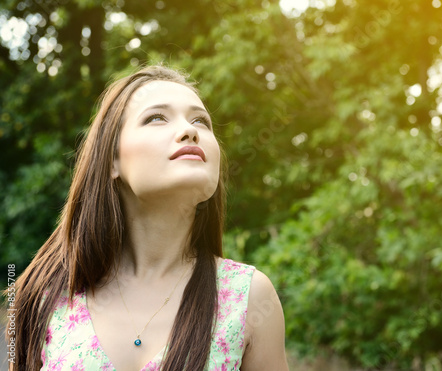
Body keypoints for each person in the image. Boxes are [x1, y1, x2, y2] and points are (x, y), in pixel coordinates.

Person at [8, 65, 288, 371]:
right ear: (112, 160)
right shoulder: (44, 296)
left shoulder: (248, 299)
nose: (189, 130)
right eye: (157, 118)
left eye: (201, 121)